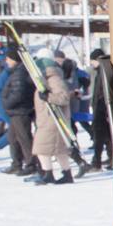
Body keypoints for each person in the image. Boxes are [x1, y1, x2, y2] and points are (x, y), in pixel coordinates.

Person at [30, 48, 81, 184]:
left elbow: (63, 98)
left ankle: (48, 174)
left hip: (52, 120)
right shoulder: (48, 79)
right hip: (48, 119)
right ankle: (67, 173)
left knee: (41, 148)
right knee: (60, 150)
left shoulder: (54, 79)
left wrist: (48, 96)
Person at [0, 46, 35, 175]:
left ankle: (31, 163)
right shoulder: (16, 72)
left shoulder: (19, 73)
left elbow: (18, 93)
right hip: (15, 111)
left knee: (24, 138)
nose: (6, 61)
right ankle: (16, 163)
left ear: (14, 59)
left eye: (8, 58)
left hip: (20, 110)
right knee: (13, 137)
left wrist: (7, 104)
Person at [87, 49, 113, 170]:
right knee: (108, 136)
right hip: (102, 109)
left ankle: (96, 162)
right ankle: (111, 158)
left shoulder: (103, 71)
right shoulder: (102, 70)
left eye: (92, 61)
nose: (91, 64)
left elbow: (101, 93)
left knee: (99, 137)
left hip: (102, 109)